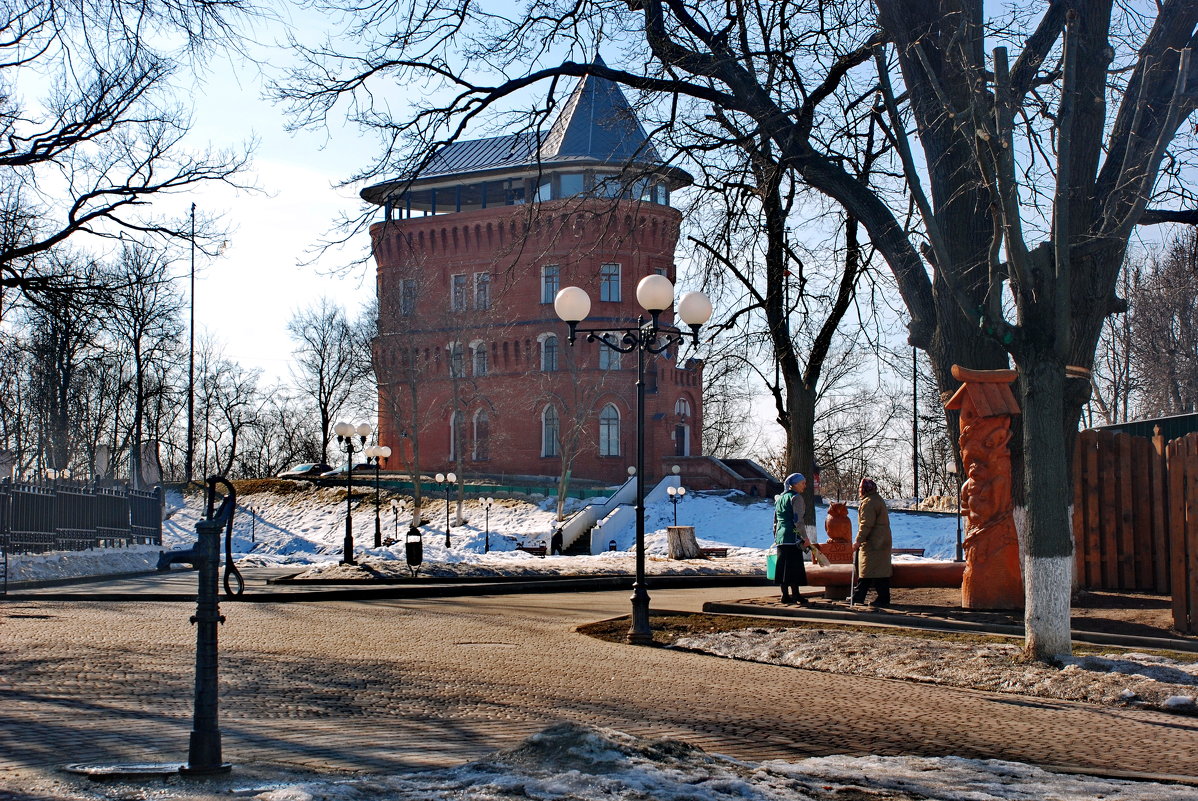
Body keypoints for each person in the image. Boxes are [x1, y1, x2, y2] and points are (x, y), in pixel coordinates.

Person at [852, 478, 893, 607]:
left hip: (873, 543)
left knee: (865, 571)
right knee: (879, 572)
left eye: (860, 488)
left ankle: (859, 597)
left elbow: (866, 525)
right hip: (881, 541)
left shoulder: (868, 502)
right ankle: (882, 597)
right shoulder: (877, 499)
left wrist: (858, 540)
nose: (859, 491)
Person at [773, 472, 811, 605]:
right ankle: (796, 595)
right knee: (794, 567)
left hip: (781, 537)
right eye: (802, 483)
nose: (805, 486)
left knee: (783, 567)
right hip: (793, 536)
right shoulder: (796, 498)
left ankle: (785, 595)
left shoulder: (780, 498)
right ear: (794, 484)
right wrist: (805, 537)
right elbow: (798, 520)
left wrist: (776, 535)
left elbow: (776, 520)